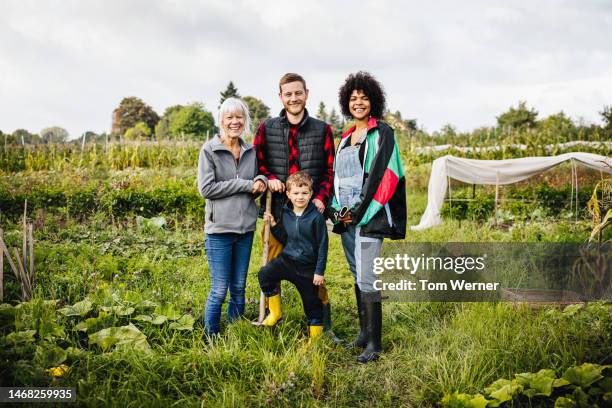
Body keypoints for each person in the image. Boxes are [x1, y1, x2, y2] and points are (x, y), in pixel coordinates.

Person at [253, 73, 340, 340]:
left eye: (298, 93)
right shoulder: (266, 129)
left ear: (306, 94)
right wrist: (269, 179)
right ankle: (273, 313)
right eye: (288, 94)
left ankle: (322, 323)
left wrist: (321, 199)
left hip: (309, 214)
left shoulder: (322, 130)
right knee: (273, 265)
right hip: (277, 212)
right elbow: (258, 164)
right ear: (280, 97)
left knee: (313, 270)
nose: (293, 98)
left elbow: (329, 171)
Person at [328, 71, 407, 363]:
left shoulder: (382, 133)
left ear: (373, 101)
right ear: (346, 103)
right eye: (353, 98)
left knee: (368, 276)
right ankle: (363, 333)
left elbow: (383, 176)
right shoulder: (346, 136)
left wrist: (359, 211)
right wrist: (338, 211)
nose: (358, 102)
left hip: (369, 215)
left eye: (363, 97)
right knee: (356, 273)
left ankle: (374, 342)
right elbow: (339, 177)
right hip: (347, 217)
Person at [197, 97, 267, 337]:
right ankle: (211, 336)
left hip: (245, 229)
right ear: (221, 121)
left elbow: (259, 177)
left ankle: (235, 333)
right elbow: (207, 189)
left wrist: (261, 181)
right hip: (219, 231)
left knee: (238, 287)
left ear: (245, 121)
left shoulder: (250, 151)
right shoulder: (209, 150)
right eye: (230, 117)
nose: (235, 122)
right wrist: (244, 184)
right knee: (219, 290)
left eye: (239, 117)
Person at [258, 171, 328, 342]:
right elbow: (284, 237)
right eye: (296, 193)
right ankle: (275, 312)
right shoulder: (286, 213)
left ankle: (315, 340)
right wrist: (274, 225)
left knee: (312, 305)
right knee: (265, 274)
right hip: (287, 261)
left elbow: (323, 246)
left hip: (307, 268)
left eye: (304, 193)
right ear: (288, 194)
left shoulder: (316, 218)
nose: (300, 197)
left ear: (311, 194)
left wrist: (319, 272)